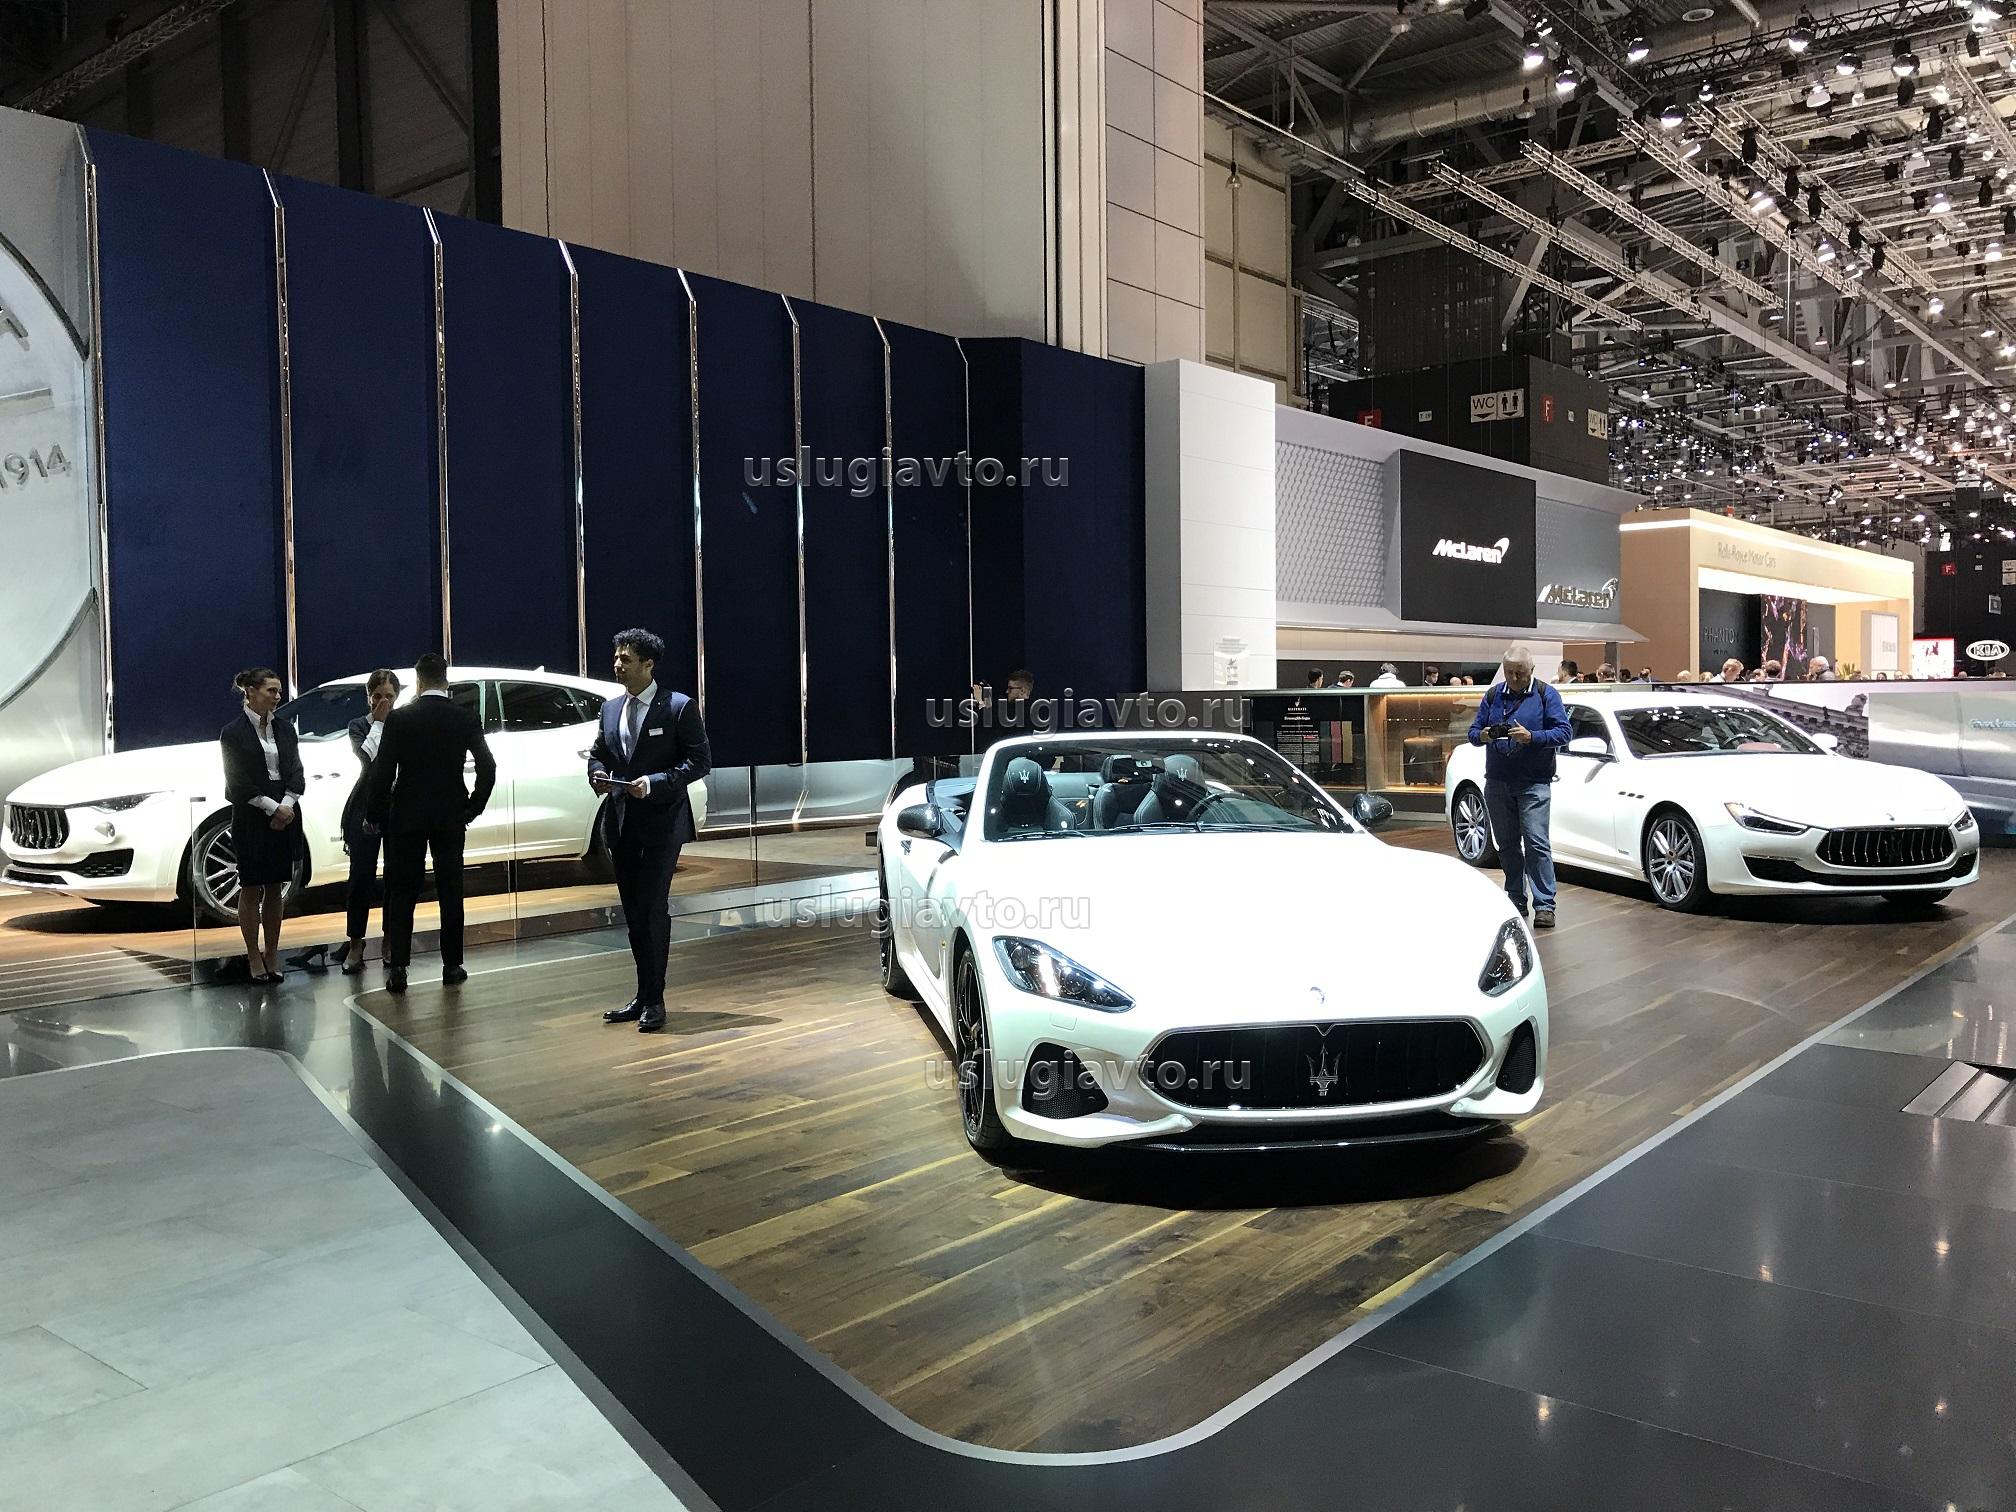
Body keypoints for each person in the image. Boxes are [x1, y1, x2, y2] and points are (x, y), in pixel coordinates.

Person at [590, 627, 712, 1033]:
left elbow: (699, 761)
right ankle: (642, 995)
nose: (617, 665)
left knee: (652, 908)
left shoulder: (678, 707)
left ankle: (655, 999)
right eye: (616, 657)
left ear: (648, 664)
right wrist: (598, 773)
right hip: (621, 822)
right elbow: (599, 753)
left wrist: (656, 782)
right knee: (633, 913)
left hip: (662, 824)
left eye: (626, 659)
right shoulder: (610, 709)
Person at [366, 653, 495, 994]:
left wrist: (375, 815)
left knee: (402, 891)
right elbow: (488, 766)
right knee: (451, 889)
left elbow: (382, 773)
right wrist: (473, 807)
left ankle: (398, 968)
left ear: (419, 681)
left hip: (406, 816)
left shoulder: (400, 718)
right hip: (450, 815)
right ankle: (452, 965)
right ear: (445, 681)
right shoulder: (464, 717)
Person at [1467, 644, 1570, 929]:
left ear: (1532, 670)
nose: (1514, 678)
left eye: (1520, 673)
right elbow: (1472, 733)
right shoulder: (1493, 695)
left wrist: (1532, 737)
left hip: (1534, 783)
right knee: (1507, 844)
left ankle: (1545, 905)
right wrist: (1484, 735)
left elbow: (1564, 732)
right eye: (1510, 672)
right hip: (1498, 781)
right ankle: (1515, 897)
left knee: (1537, 843)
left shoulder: (1546, 694)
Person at [220, 667, 304, 984]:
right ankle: (253, 956)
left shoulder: (285, 729)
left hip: (285, 811)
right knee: (252, 885)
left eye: (279, 690)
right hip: (252, 816)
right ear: (251, 692)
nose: (277, 696)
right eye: (271, 690)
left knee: (275, 887)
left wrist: (287, 805)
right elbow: (237, 783)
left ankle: (272, 953)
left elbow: (296, 771)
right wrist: (272, 808)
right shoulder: (232, 733)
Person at [332, 669, 400, 976]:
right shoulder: (359, 725)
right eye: (377, 696)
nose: (383, 701)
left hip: (397, 805)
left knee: (396, 877)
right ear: (368, 697)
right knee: (360, 876)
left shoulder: (404, 723)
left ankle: (390, 941)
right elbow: (367, 757)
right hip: (364, 804)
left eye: (389, 696)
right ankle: (356, 943)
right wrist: (380, 723)